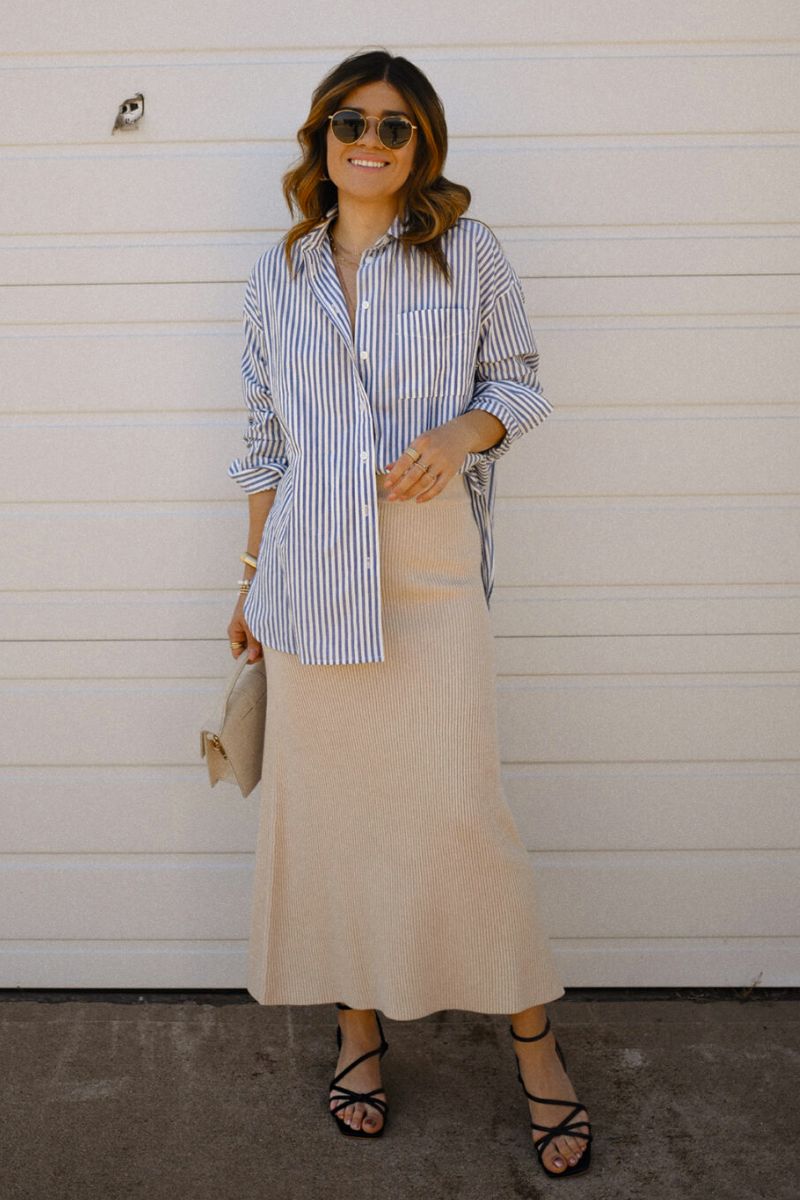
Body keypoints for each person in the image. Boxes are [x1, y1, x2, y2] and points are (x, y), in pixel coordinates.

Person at [225, 48, 592, 1177]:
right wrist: (246, 586)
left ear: (421, 141)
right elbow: (262, 443)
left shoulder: (462, 251)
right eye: (348, 120)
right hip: (303, 577)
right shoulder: (278, 272)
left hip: (428, 571)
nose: (369, 139)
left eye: (393, 123)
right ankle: (356, 1036)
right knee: (331, 828)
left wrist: (454, 435)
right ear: (320, 138)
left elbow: (518, 382)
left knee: (459, 821)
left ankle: (535, 1051)